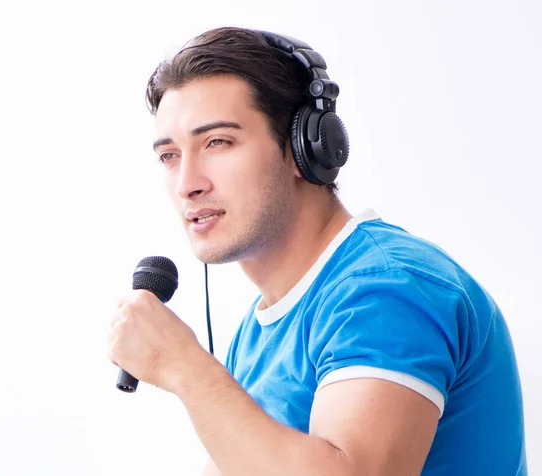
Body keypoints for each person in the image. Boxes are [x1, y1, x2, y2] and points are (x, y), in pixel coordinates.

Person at [108, 27, 527, 475]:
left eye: (218, 143)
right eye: (170, 155)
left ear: (306, 147)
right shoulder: (259, 330)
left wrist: (185, 367)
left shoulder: (388, 290)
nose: (188, 184)